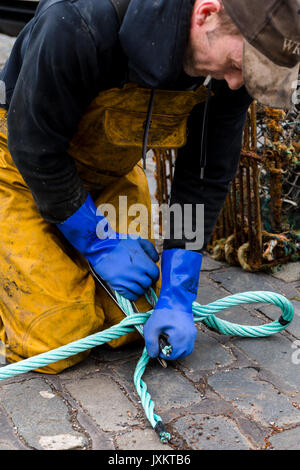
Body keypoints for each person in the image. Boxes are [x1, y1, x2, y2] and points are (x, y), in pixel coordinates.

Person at [0, 0, 299, 373]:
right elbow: (34, 148)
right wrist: (98, 240)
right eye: (238, 66)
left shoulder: (227, 72)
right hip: (20, 167)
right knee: (58, 338)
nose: (238, 83)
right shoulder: (77, 22)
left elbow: (204, 176)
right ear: (206, 14)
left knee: (132, 327)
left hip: (108, 170)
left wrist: (179, 289)